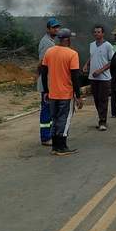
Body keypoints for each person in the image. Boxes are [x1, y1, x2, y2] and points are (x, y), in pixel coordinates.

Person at [40, 28, 83, 156]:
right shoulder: (72, 54)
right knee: (64, 120)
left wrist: (46, 90)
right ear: (67, 39)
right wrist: (78, 96)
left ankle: (54, 146)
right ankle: (62, 147)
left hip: (52, 93)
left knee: (55, 119)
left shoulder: (49, 52)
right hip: (66, 94)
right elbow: (75, 77)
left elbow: (43, 73)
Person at [83, 24, 114, 132]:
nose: (96, 34)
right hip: (93, 77)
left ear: (103, 33)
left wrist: (100, 71)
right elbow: (92, 56)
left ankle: (103, 122)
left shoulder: (108, 46)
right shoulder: (91, 45)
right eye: (95, 32)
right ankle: (101, 118)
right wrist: (86, 64)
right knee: (96, 99)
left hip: (104, 78)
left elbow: (111, 61)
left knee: (103, 100)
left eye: (99, 32)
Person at [37, 18, 61, 146]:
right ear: (48, 29)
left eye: (57, 27)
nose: (56, 29)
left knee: (51, 109)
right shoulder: (47, 43)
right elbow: (42, 63)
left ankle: (50, 134)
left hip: (50, 81)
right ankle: (45, 137)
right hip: (46, 82)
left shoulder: (51, 41)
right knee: (46, 109)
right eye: (54, 27)